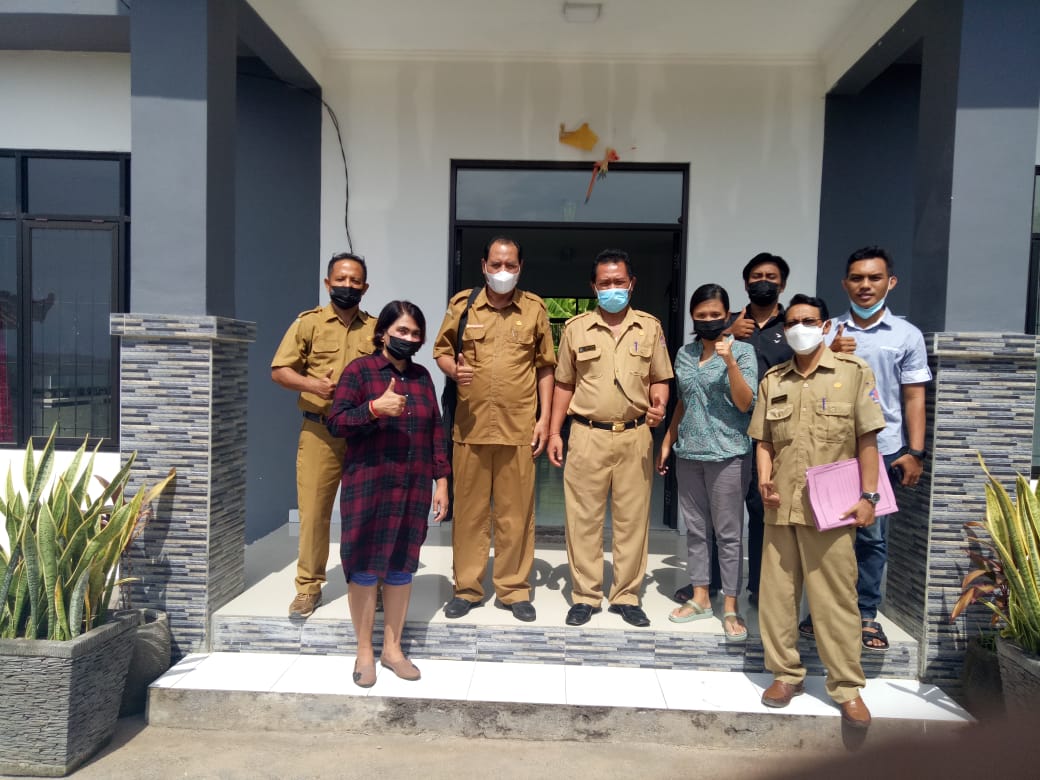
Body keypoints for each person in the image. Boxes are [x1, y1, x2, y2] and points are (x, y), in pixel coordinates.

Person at [747, 293, 885, 729]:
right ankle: (785, 675)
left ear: (825, 326)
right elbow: (764, 441)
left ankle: (846, 687)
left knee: (835, 599)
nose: (799, 328)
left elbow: (867, 440)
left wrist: (870, 497)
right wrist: (764, 481)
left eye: (808, 321)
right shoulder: (774, 380)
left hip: (833, 509)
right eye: (792, 322)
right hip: (781, 505)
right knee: (777, 598)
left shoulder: (853, 373)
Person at [799, 246, 931, 651]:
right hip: (834, 449)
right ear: (845, 284)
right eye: (857, 278)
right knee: (828, 533)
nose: (865, 285)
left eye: (874, 278)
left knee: (872, 536)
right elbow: (806, 381)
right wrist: (830, 354)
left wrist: (915, 451)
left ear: (891, 282)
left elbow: (914, 397)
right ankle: (822, 611)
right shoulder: (827, 332)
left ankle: (866, 614)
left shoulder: (906, 336)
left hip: (885, 448)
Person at [326, 300, 450, 687]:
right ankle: (365, 650)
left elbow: (435, 431)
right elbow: (336, 422)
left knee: (401, 565)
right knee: (364, 565)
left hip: (413, 485)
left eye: (415, 334)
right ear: (383, 333)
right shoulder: (359, 371)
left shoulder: (422, 376)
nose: (408, 339)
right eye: (401, 331)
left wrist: (442, 481)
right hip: (369, 483)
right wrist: (374, 409)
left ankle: (392, 650)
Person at [433, 237, 556, 622]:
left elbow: (545, 367)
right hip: (470, 428)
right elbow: (441, 351)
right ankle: (467, 589)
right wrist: (453, 370)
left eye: (511, 265)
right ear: (484, 265)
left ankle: (514, 589)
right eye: (497, 264)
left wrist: (544, 420)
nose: (503, 271)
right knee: (469, 515)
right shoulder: (462, 305)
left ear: (520, 267)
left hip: (518, 428)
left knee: (515, 515)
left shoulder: (534, 309)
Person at [547, 249, 672, 628]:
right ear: (594, 287)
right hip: (587, 435)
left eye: (619, 282)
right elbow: (564, 384)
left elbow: (660, 378)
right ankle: (585, 595)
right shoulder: (576, 329)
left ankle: (626, 595)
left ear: (632, 284)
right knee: (582, 518)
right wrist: (554, 432)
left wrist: (660, 405)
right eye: (605, 283)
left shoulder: (649, 328)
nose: (612, 288)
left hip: (635, 435)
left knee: (632, 520)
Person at [271, 252, 376, 619]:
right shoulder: (309, 324)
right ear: (328, 283)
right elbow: (280, 370)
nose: (348, 286)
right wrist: (312, 384)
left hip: (364, 433)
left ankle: (368, 584)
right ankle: (308, 587)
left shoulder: (376, 329)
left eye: (355, 281)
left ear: (365, 287)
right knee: (314, 513)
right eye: (341, 279)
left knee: (365, 512)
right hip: (321, 431)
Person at [657, 284, 756, 641]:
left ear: (727, 315)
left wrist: (730, 362)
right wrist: (668, 441)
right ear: (692, 317)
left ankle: (730, 605)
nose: (709, 320)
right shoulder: (685, 354)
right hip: (690, 454)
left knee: (728, 535)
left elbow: (746, 403)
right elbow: (684, 401)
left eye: (716, 314)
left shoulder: (743, 351)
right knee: (697, 531)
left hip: (728, 454)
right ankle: (700, 597)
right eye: (702, 315)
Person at [723, 252, 794, 606]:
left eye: (770, 277)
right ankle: (713, 583)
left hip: (772, 435)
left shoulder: (793, 326)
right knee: (722, 511)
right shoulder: (730, 323)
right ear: (745, 282)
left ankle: (759, 586)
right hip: (729, 431)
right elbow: (702, 359)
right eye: (756, 276)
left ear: (782, 284)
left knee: (763, 510)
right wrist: (729, 333)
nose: (763, 282)